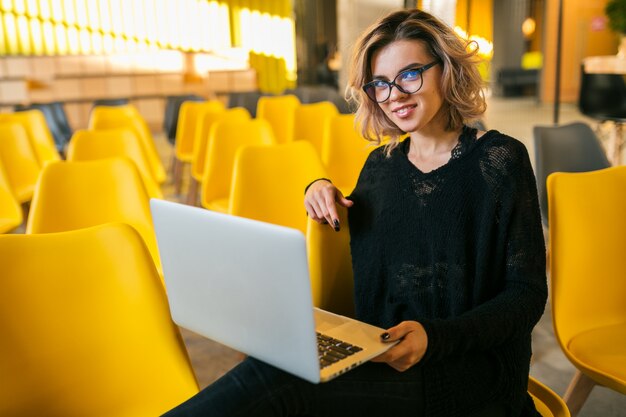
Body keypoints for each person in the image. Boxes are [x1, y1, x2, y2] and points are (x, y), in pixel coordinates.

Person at [162, 8, 547, 417]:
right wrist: (318, 189)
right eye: (380, 84)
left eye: (410, 74)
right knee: (274, 369)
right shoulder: (379, 167)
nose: (394, 94)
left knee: (281, 386)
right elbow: (379, 227)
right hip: (386, 354)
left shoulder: (499, 159)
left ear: (446, 70)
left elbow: (526, 295)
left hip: (468, 371)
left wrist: (434, 338)